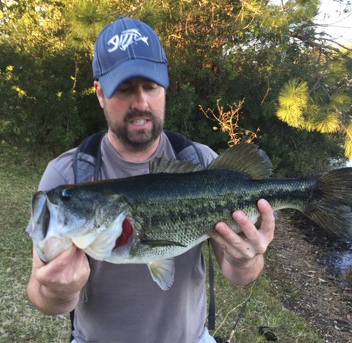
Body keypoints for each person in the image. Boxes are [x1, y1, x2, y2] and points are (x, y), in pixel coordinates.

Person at [26, 17, 275, 343]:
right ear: (100, 93)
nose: (140, 102)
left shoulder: (201, 163)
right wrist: (56, 290)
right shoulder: (66, 174)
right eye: (125, 89)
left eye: (151, 87)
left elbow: (239, 274)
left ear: (166, 85)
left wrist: (248, 258)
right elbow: (41, 294)